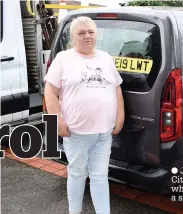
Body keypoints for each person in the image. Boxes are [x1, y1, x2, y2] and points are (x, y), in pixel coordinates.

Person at [44, 16, 125, 214]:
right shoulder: (63, 58)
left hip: (103, 133)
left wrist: (120, 115)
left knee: (99, 176)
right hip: (76, 133)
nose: (87, 36)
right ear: (73, 36)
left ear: (96, 35)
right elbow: (50, 92)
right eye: (81, 33)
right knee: (78, 173)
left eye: (91, 32)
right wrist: (56, 122)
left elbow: (116, 89)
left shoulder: (105, 58)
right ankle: (74, 211)